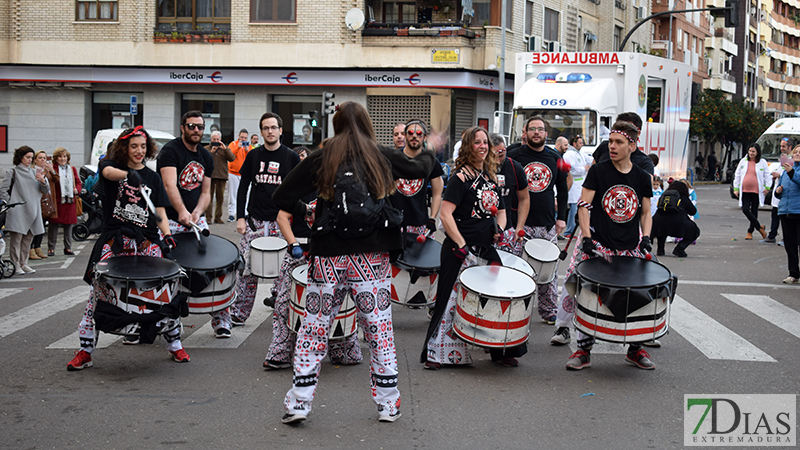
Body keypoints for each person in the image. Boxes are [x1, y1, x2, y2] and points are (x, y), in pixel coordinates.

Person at [274, 101, 435, 424]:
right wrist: (428, 149)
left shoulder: (323, 156)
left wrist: (312, 205)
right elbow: (419, 169)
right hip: (371, 257)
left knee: (314, 328)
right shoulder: (379, 154)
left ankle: (299, 402)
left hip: (329, 257)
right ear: (367, 124)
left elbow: (281, 196)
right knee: (378, 330)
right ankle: (388, 404)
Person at [66, 127, 188, 371]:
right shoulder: (110, 166)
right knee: (98, 293)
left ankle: (175, 344)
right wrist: (126, 176)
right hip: (116, 242)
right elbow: (108, 172)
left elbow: (160, 212)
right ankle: (85, 350)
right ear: (125, 147)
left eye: (143, 147)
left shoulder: (153, 179)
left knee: (162, 294)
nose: (139, 151)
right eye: (134, 146)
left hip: (146, 242)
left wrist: (167, 236)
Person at [422, 126, 526, 369]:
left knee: (498, 297)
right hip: (459, 248)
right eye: (477, 142)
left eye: (485, 142)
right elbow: (445, 214)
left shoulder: (490, 178)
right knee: (449, 299)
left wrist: (499, 229)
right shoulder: (459, 178)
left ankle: (500, 350)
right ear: (468, 146)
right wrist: (460, 245)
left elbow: (501, 212)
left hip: (485, 246)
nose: (482, 146)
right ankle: (438, 353)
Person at [560, 120, 655, 370]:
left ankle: (635, 349)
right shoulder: (599, 171)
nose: (612, 146)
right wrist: (587, 238)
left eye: (618, 142)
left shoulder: (642, 177)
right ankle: (583, 350)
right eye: (610, 142)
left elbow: (645, 213)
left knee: (635, 297)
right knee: (587, 295)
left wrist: (646, 237)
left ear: (632, 145)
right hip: (599, 244)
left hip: (629, 247)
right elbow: (583, 206)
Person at [263, 191, 363, 369]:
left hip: (332, 252)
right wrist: (293, 243)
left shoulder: (343, 186)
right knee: (284, 302)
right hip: (299, 251)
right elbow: (282, 217)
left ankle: (342, 349)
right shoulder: (302, 183)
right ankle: (281, 351)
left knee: (341, 304)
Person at [158, 111, 232, 338]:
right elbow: (170, 186)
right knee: (167, 273)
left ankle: (221, 320)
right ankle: (164, 320)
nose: (197, 131)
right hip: (170, 221)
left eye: (200, 127)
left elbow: (206, 192)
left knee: (212, 268)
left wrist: (197, 213)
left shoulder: (206, 156)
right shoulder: (170, 151)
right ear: (183, 128)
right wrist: (182, 212)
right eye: (192, 126)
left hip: (195, 221)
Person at [230, 112, 300, 320]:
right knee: (245, 271)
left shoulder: (291, 157)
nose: (270, 131)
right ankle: (238, 314)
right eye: (266, 128)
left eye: (273, 127)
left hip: (281, 223)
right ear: (261, 132)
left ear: (280, 130)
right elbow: (243, 188)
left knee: (285, 271)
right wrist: (240, 217)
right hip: (255, 222)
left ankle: (283, 311)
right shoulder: (253, 155)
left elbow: (298, 190)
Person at [507, 116, 569, 324]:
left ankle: (549, 310)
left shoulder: (556, 157)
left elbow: (562, 188)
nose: (536, 132)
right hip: (517, 223)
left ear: (546, 133)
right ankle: (514, 308)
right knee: (515, 269)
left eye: (540, 129)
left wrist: (562, 219)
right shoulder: (513, 155)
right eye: (532, 129)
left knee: (548, 271)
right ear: (524, 132)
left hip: (546, 223)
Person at [0, 146, 49, 274]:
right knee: (16, 240)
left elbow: (45, 190)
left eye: (31, 158)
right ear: (20, 157)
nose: (29, 160)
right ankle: (16, 264)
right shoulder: (13, 172)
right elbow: (3, 190)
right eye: (27, 157)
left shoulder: (35, 172)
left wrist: (43, 181)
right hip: (18, 209)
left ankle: (24, 263)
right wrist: (10, 203)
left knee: (28, 239)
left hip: (34, 209)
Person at [390, 119, 444, 237]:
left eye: (419, 133)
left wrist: (432, 219)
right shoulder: (393, 158)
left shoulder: (431, 162)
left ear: (424, 137)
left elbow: (437, 193)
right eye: (410, 133)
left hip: (420, 224)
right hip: (394, 223)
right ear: (405, 135)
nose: (414, 136)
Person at [492, 133, 529, 256]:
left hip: (506, 228)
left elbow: (524, 199)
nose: (497, 161)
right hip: (482, 229)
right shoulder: (479, 168)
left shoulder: (515, 168)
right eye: (493, 156)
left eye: (501, 156)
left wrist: (520, 226)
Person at [650, 180, 700, 257]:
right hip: (678, 224)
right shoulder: (683, 197)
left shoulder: (664, 196)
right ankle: (680, 249)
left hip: (658, 222)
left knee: (662, 229)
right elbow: (692, 211)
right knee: (695, 230)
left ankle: (660, 249)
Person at [47, 147, 82, 256]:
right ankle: (51, 248)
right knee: (53, 225)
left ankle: (68, 248)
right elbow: (54, 180)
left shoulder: (72, 169)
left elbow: (78, 182)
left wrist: (77, 189)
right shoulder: (53, 168)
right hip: (58, 201)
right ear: (56, 158)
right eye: (60, 156)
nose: (63, 158)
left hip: (69, 201)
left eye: (65, 156)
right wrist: (52, 171)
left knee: (69, 226)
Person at [733, 143, 770, 240]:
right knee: (745, 209)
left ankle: (750, 231)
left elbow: (767, 175)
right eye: (750, 151)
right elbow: (737, 175)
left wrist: (767, 188)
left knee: (754, 211)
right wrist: (736, 188)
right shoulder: (743, 161)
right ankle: (759, 227)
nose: (751, 153)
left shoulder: (762, 162)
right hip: (745, 190)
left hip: (757, 191)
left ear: (757, 152)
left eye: (753, 151)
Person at [774, 144, 800, 283]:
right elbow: (781, 190)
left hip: (798, 211)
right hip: (786, 211)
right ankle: (794, 274)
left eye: (799, 152)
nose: (797, 154)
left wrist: (791, 173)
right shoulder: (787, 170)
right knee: (790, 245)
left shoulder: (790, 171)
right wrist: (778, 192)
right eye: (795, 152)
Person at [763, 137, 793, 244]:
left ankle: (786, 239)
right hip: (778, 191)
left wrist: (779, 175)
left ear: (790, 147)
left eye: (784, 146)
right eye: (780, 146)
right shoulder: (783, 157)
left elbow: (791, 175)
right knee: (775, 215)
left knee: (785, 218)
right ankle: (772, 236)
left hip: (786, 193)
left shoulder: (792, 159)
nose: (781, 148)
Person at [563, 136, 591, 239]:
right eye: (580, 142)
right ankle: (569, 232)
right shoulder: (569, 154)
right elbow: (571, 169)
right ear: (574, 144)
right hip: (574, 186)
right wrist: (584, 169)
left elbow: (590, 159)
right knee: (573, 210)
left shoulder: (580, 153)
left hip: (580, 187)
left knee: (578, 210)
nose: (582, 144)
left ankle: (573, 231)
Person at [29, 151, 56, 260]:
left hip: (46, 200)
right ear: (35, 160)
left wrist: (51, 171)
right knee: (33, 226)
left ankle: (37, 247)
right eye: (40, 158)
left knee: (42, 225)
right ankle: (30, 249)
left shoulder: (47, 171)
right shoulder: (33, 171)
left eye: (44, 158)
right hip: (36, 200)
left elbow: (55, 181)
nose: (43, 160)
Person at [205, 130, 235, 224]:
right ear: (211, 139)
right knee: (208, 198)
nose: (216, 141)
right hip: (209, 176)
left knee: (220, 198)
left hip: (221, 176)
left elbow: (232, 158)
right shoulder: (206, 149)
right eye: (214, 139)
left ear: (220, 139)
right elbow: (202, 159)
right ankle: (208, 217)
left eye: (217, 139)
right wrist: (211, 152)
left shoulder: (224, 149)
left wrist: (225, 148)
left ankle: (218, 217)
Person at [227, 129, 251, 222]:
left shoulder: (248, 146)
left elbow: (251, 158)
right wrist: (238, 147)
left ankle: (244, 213)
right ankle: (232, 214)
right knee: (232, 195)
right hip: (233, 172)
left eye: (245, 138)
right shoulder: (233, 144)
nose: (243, 139)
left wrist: (246, 150)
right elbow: (230, 156)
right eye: (242, 137)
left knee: (246, 194)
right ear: (238, 136)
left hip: (244, 174)